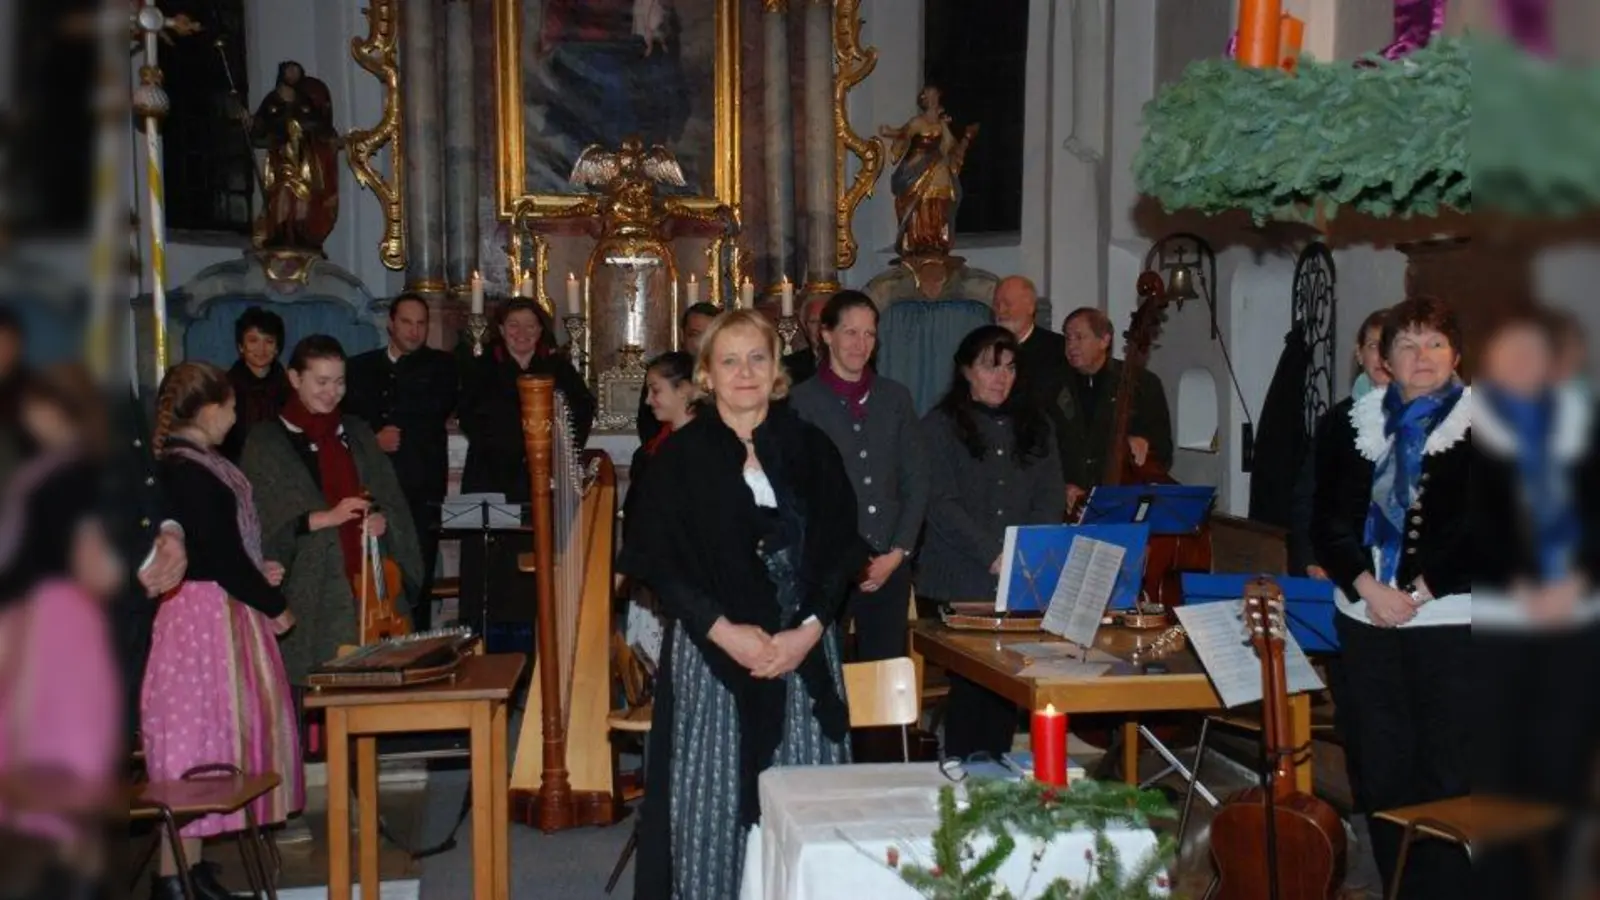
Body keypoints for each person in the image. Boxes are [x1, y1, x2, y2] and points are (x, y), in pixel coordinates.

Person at [617, 310, 867, 900]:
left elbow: (840, 552)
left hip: (803, 652)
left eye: (757, 357)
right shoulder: (679, 458)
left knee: (808, 812)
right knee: (716, 811)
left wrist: (806, 631)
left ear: (776, 369)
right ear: (706, 374)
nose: (745, 372)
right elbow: (657, 560)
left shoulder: (810, 447)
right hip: (716, 657)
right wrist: (724, 631)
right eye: (729, 360)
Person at [1311, 296, 1472, 899]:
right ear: (1385, 357)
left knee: (1449, 771)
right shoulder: (1349, 423)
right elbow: (1328, 521)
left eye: (1434, 342)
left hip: (1452, 621)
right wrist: (1368, 587)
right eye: (1407, 344)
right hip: (1365, 618)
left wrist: (1423, 588)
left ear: (1456, 354)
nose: (1421, 355)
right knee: (1381, 771)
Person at [143, 362, 303, 900]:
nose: (235, 418)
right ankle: (173, 880)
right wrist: (274, 603)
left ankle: (191, 869)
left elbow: (228, 548)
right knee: (193, 748)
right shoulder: (186, 470)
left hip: (215, 609)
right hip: (201, 616)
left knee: (207, 741)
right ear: (209, 409)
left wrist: (261, 574)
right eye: (232, 408)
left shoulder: (200, 463)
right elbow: (218, 555)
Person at [1471, 307, 1600, 899]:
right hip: (1498, 629)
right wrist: (1516, 582)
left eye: (1535, 353)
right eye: (1510, 352)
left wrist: (1580, 579)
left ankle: (1549, 883)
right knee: (1500, 779)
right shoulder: (1465, 432)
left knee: (1560, 776)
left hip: (1576, 627)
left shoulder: (1582, 426)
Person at [0, 365, 125, 900]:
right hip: (48, 618)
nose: (32, 418)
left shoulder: (71, 474)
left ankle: (75, 880)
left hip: (55, 625)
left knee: (58, 764)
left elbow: (88, 562)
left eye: (41, 407)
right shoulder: (54, 470)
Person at [240, 335, 423, 685]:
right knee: (315, 683)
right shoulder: (267, 441)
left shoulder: (356, 432)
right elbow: (261, 521)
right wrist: (325, 518)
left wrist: (382, 518)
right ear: (295, 379)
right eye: (321, 382)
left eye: (339, 382)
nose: (332, 392)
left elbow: (390, 499)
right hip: (309, 588)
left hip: (370, 585)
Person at [919, 326, 1064, 758]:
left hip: (1022, 573)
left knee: (1008, 685)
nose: (1001, 377)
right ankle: (965, 771)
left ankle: (997, 774)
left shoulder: (1037, 425)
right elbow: (940, 503)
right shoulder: (940, 426)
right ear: (966, 371)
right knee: (974, 684)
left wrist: (1026, 553)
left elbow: (1050, 495)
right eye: (989, 366)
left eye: (1009, 367)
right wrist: (992, 553)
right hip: (960, 576)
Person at [791, 291, 927, 661]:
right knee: (823, 674)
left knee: (884, 674)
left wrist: (897, 553)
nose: (860, 343)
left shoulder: (895, 397)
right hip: (827, 564)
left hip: (889, 561)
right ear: (826, 335)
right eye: (851, 332)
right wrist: (843, 558)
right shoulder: (801, 401)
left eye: (869, 334)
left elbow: (915, 481)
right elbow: (801, 492)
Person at [458, 298, 595, 638]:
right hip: (492, 476)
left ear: (540, 331)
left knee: (536, 559)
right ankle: (486, 640)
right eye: (514, 325)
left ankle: (540, 635)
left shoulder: (559, 368)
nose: (522, 333)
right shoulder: (480, 368)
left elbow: (581, 411)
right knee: (491, 566)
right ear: (501, 330)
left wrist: (549, 453)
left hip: (543, 479)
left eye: (530, 326)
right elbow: (471, 418)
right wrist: (515, 447)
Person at [343, 294, 459, 630]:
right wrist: (373, 440)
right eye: (407, 322)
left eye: (421, 323)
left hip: (420, 488)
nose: (414, 330)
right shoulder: (360, 368)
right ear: (391, 324)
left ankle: (417, 640)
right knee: (372, 568)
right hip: (372, 488)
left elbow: (433, 409)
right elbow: (348, 422)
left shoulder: (441, 366)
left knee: (417, 568)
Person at [1293, 307, 1391, 578]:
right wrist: (1311, 558)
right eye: (1373, 345)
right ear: (1359, 354)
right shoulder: (1336, 420)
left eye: (1391, 345)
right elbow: (1308, 497)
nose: (1382, 355)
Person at [1047, 306, 1172, 513]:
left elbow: (1163, 450)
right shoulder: (1051, 387)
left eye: (1079, 337)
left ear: (1104, 340)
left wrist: (1143, 444)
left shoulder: (1143, 383)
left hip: (1123, 503)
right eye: (1067, 338)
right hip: (1069, 507)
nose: (1071, 345)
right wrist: (1060, 486)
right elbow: (1041, 448)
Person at [623, 350, 698, 668]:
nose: (649, 401)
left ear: (684, 390)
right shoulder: (661, 444)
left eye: (656, 390)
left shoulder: (698, 445)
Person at [878, 84, 978, 257]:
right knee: (919, 202)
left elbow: (948, 146)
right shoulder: (918, 122)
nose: (932, 99)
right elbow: (904, 134)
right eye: (928, 96)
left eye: (935, 95)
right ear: (923, 100)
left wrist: (944, 125)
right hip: (917, 166)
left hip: (938, 166)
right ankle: (919, 241)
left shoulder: (942, 123)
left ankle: (937, 241)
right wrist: (889, 132)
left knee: (940, 201)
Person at [637, 301, 717, 445]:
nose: (702, 343)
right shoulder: (664, 371)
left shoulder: (728, 376)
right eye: (695, 334)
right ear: (682, 335)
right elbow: (647, 426)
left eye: (709, 336)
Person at [221, 306, 291, 461]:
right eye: (253, 340)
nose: (261, 349)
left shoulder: (291, 388)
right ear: (241, 346)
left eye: (269, 341)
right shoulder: (224, 388)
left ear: (277, 348)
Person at [991, 275, 1065, 409]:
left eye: (1007, 304)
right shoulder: (985, 348)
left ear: (1030, 307)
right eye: (996, 304)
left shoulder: (1058, 349)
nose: (1000, 311)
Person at [781, 295, 827, 386]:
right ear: (804, 326)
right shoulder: (788, 367)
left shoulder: (851, 361)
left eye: (824, 321)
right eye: (813, 322)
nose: (820, 328)